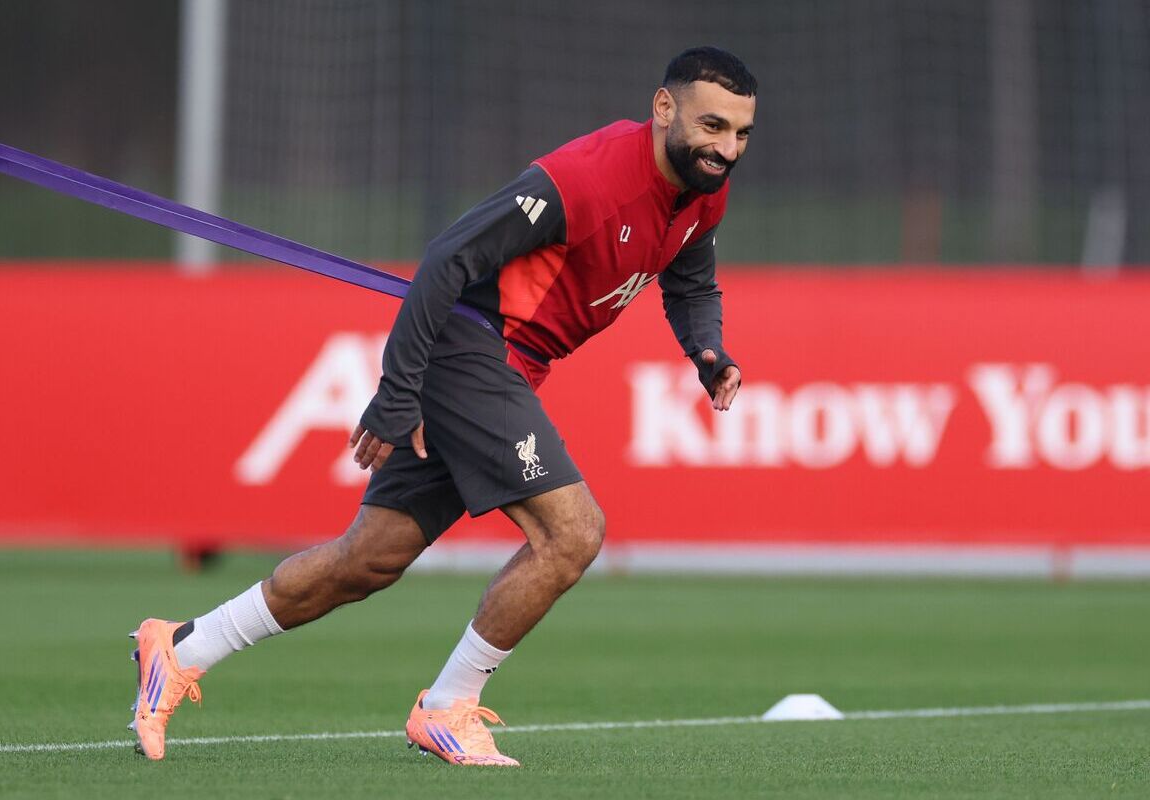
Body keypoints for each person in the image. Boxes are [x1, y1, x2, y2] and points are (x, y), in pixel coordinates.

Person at [128, 45, 756, 766]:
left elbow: (692, 279)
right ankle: (447, 706)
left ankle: (179, 648)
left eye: (741, 133)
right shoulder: (584, 179)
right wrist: (399, 391)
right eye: (713, 127)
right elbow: (446, 259)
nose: (726, 148)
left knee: (367, 560)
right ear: (665, 108)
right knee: (574, 533)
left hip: (507, 367)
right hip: (469, 350)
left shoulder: (706, 191)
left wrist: (708, 351)